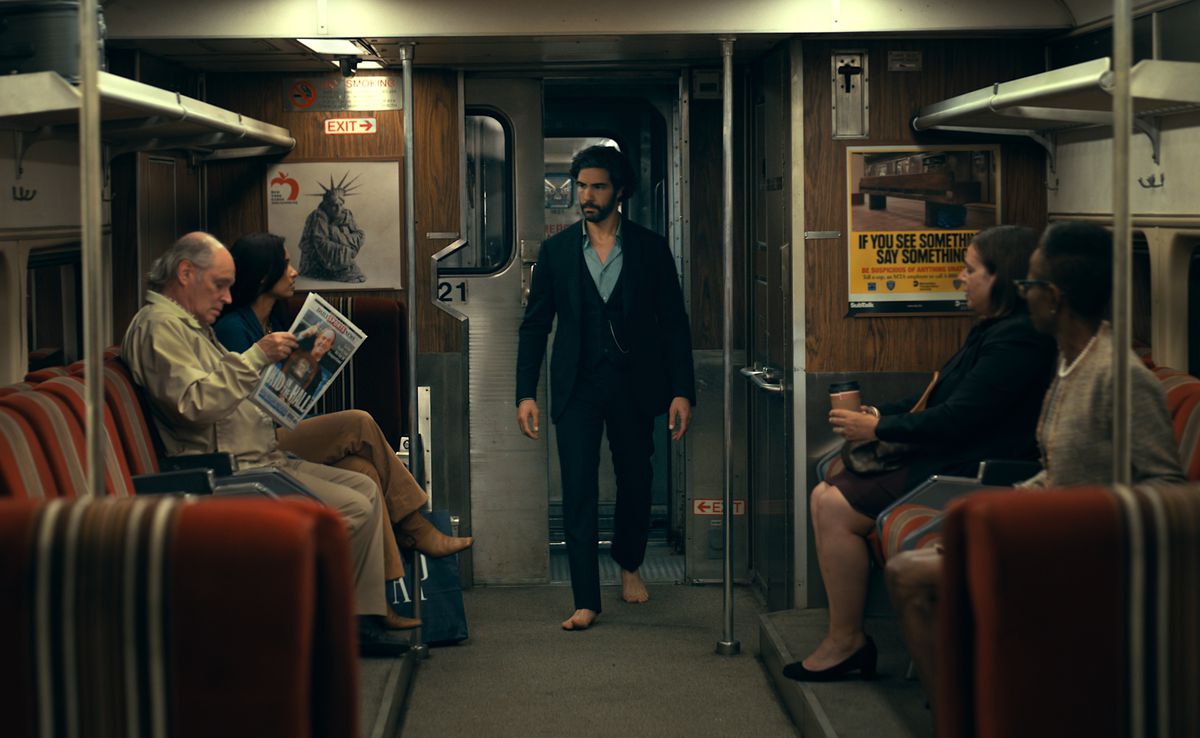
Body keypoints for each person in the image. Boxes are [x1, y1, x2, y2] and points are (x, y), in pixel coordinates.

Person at [123, 232, 469, 653]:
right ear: (185, 273)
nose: (228, 298)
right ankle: (341, 623)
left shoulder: (188, 325)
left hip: (258, 448)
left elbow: (220, 395)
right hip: (228, 471)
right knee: (357, 502)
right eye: (219, 285)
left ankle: (362, 617)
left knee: (362, 483)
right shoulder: (159, 328)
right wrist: (257, 358)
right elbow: (192, 403)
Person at [885, 220, 1186, 702]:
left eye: (1027, 286)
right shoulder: (1070, 363)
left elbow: (1167, 487)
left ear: (1054, 296)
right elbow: (1059, 472)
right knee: (921, 561)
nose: (1021, 297)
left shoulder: (1120, 378)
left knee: (907, 576)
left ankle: (957, 716)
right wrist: (1002, 515)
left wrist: (1080, 521)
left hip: (1088, 549)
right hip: (1049, 530)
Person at [784, 225, 1056, 681]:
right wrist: (878, 413)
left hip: (974, 470)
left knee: (832, 505)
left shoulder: (1018, 340)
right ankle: (845, 635)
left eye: (970, 271)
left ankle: (846, 642)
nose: (960, 278)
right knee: (825, 490)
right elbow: (940, 397)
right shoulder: (992, 330)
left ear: (1001, 279)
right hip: (949, 455)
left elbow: (958, 419)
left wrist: (879, 427)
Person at [213, 231, 467, 602]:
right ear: (264, 276)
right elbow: (247, 401)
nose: (295, 271)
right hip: (261, 437)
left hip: (281, 425)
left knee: (363, 471)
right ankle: (416, 524)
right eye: (285, 264)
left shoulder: (274, 320)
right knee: (359, 421)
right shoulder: (233, 329)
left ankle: (380, 602)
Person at [515, 145, 696, 631]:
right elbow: (534, 326)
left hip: (634, 383)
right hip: (578, 385)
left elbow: (675, 324)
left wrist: (683, 390)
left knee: (636, 480)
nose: (586, 196)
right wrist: (525, 393)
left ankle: (630, 561)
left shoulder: (650, 248)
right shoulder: (556, 251)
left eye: (597, 186)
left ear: (620, 191)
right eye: (581, 186)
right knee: (578, 488)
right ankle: (586, 598)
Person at [299, 175, 366, 282]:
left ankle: (344, 268)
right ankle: (339, 271)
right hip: (317, 262)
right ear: (327, 205)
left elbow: (360, 235)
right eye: (334, 205)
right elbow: (320, 243)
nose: (338, 209)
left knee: (335, 231)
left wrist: (339, 237)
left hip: (340, 256)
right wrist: (345, 250)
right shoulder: (318, 216)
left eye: (341, 204)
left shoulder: (346, 215)